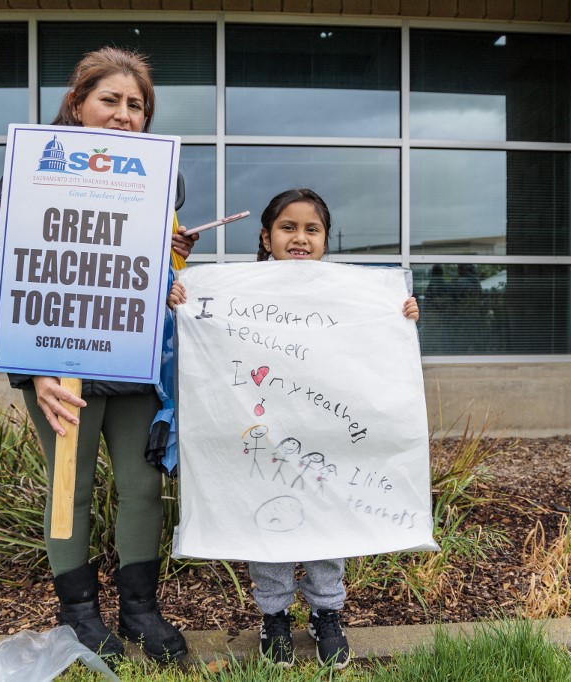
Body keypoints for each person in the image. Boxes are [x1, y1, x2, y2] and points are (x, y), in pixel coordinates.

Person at [0, 47, 198, 663]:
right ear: (77, 105)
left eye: (137, 105)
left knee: (141, 485)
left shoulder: (163, 178)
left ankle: (140, 610)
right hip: (59, 363)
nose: (125, 114)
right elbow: (8, 272)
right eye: (111, 100)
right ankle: (79, 615)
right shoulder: (35, 170)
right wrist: (32, 371)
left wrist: (175, 255)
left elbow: (144, 274)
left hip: (132, 359)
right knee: (70, 486)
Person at [168, 188, 418, 669]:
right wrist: (183, 301)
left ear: (326, 239)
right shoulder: (237, 293)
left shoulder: (346, 294)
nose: (299, 238)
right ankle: (275, 616)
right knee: (267, 516)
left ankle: (327, 613)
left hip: (327, 432)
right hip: (263, 435)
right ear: (265, 236)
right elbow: (204, 342)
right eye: (287, 227)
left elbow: (371, 351)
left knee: (328, 517)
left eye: (312, 229)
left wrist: (399, 317)